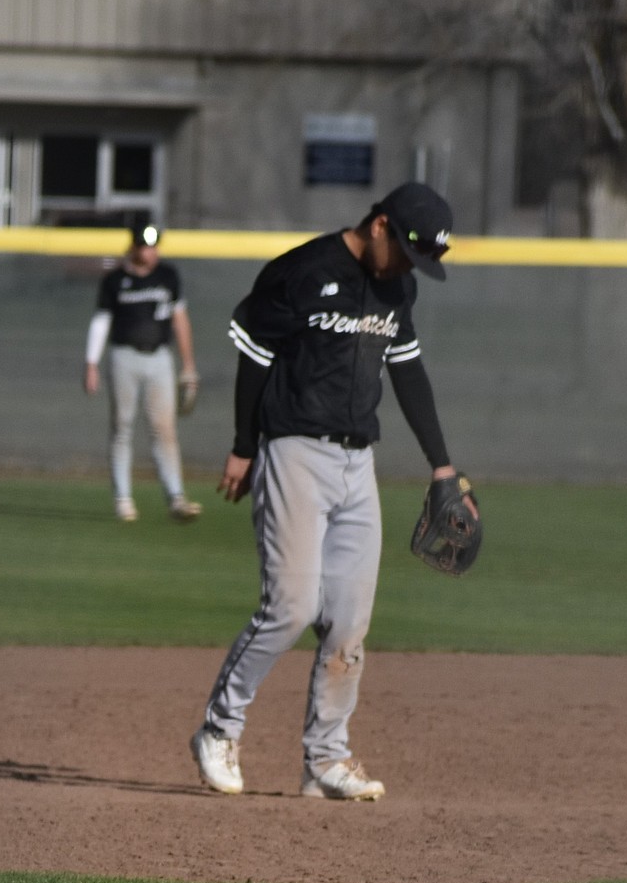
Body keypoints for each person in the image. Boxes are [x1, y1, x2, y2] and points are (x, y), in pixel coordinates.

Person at [190, 181, 473, 800]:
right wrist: (244, 445)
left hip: (357, 464)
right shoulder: (301, 271)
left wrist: (442, 467)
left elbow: (408, 372)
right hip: (292, 449)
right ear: (379, 226)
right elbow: (254, 357)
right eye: (404, 251)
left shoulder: (398, 285)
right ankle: (218, 728)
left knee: (348, 621)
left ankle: (325, 759)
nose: (407, 267)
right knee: (289, 606)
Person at [83, 222, 202, 522]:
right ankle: (123, 498)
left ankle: (176, 496)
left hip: (159, 357)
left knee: (164, 429)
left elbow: (180, 320)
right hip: (124, 356)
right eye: (145, 246)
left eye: (154, 245)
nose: (150, 251)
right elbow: (101, 322)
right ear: (134, 247)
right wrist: (91, 363)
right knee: (122, 427)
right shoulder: (115, 280)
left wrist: (188, 366)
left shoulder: (168, 276)